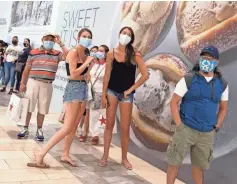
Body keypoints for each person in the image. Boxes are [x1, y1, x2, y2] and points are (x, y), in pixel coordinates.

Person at [27, 28, 94, 168]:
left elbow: (81, 73)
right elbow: (73, 74)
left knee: (74, 126)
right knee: (67, 127)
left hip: (83, 89)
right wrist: (87, 63)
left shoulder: (85, 52)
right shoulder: (75, 52)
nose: (87, 38)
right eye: (84, 36)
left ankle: (65, 154)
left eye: (89, 37)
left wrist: (87, 72)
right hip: (74, 89)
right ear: (78, 37)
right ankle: (41, 154)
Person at [166, 46, 229, 184]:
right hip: (186, 129)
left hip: (206, 133)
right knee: (174, 163)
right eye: (203, 58)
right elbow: (174, 103)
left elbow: (223, 108)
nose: (206, 61)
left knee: (199, 167)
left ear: (216, 62)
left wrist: (216, 126)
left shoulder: (222, 84)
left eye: (210, 58)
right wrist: (180, 126)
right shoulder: (188, 79)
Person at [98, 27, 149, 170]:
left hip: (126, 94)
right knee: (109, 124)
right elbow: (107, 74)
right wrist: (103, 94)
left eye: (128, 34)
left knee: (125, 127)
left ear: (131, 38)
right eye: (123, 33)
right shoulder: (111, 53)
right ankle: (105, 156)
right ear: (119, 34)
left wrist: (131, 89)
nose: (125, 36)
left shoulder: (134, 55)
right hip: (112, 91)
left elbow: (145, 75)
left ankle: (124, 158)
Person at [17, 33, 68, 141]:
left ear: (54, 42)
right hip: (33, 82)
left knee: (43, 108)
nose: (49, 41)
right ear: (42, 40)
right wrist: (22, 83)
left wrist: (61, 43)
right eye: (47, 39)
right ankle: (25, 128)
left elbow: (68, 56)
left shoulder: (57, 54)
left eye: (51, 40)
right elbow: (27, 69)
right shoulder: (33, 52)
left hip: (47, 85)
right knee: (29, 106)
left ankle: (39, 129)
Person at [79, 45, 109, 145]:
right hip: (90, 92)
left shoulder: (108, 66)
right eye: (98, 51)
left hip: (100, 92)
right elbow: (88, 75)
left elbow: (107, 80)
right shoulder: (94, 64)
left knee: (99, 114)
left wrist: (105, 95)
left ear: (106, 53)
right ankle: (89, 132)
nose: (98, 53)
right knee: (91, 114)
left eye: (101, 51)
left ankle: (96, 135)